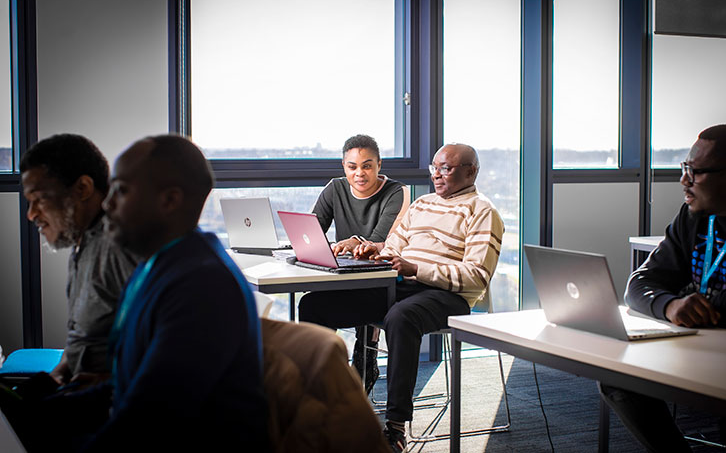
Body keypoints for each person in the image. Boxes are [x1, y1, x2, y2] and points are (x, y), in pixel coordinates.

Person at [299, 143, 504, 452]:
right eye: (434, 168)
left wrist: (416, 268)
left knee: (400, 317)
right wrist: (375, 252)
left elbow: (476, 276)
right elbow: (394, 247)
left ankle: (395, 427)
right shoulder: (422, 204)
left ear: (471, 171)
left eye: (445, 168)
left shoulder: (483, 211)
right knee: (314, 304)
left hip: (447, 296)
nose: (437, 175)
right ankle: (322, 399)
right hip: (401, 285)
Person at [86, 134, 269, 451]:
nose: (106, 204)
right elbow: (130, 386)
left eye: (122, 190)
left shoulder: (203, 287)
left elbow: (150, 420)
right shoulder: (155, 265)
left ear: (169, 200)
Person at [599, 124, 726, 452]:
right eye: (684, 169)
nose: (684, 181)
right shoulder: (694, 215)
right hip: (706, 342)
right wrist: (670, 306)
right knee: (618, 379)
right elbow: (639, 284)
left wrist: (695, 308)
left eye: (696, 172)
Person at [19, 134, 138, 386]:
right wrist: (60, 373)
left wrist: (107, 382)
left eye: (39, 200)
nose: (31, 215)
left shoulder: (121, 247)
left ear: (83, 188)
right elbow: (81, 339)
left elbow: (169, 358)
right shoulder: (82, 242)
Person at [311, 134, 408, 394]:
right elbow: (312, 230)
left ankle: (365, 360)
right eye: (352, 166)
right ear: (344, 166)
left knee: (360, 294)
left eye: (367, 165)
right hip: (344, 272)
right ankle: (324, 373)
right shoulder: (335, 188)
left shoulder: (396, 192)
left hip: (385, 275)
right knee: (310, 303)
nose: (359, 173)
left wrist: (356, 242)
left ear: (379, 165)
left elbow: (379, 241)